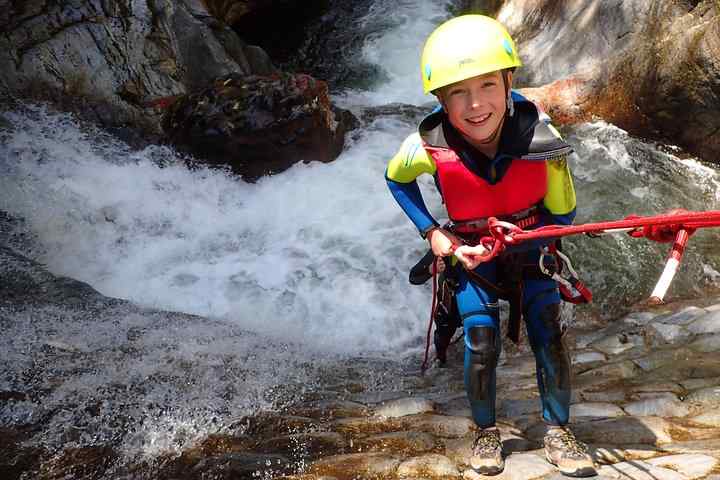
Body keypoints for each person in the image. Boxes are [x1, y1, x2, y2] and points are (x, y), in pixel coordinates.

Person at [385, 15, 596, 477]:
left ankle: (559, 430)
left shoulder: (543, 139)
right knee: (480, 342)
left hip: (530, 249)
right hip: (471, 256)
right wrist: (434, 232)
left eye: (486, 86)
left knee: (548, 332)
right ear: (440, 99)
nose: (475, 104)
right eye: (457, 92)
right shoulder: (424, 146)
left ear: (508, 83)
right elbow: (396, 180)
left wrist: (535, 236)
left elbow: (563, 213)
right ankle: (485, 432)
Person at [409, 249, 461, 366]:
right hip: (449, 305)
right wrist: (432, 268)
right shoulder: (444, 245)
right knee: (443, 338)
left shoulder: (487, 242)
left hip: (472, 301)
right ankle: (441, 360)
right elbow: (413, 276)